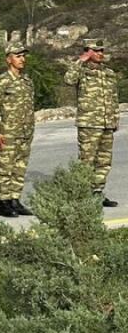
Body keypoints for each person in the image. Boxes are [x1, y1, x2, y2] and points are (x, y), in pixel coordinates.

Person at [65, 38, 120, 207]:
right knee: (86, 160)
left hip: (106, 123)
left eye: (102, 51)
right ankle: (81, 195)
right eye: (96, 51)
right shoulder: (81, 71)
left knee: (104, 161)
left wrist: (115, 118)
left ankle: (97, 192)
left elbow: (113, 97)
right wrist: (81, 60)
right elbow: (68, 79)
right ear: (88, 52)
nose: (100, 54)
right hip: (89, 123)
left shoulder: (108, 73)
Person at [0, 43, 36, 217]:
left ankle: (15, 199)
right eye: (18, 56)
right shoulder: (1, 82)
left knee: (20, 167)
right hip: (7, 132)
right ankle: (4, 203)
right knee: (4, 168)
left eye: (23, 56)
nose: (22, 59)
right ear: (9, 59)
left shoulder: (27, 81)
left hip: (25, 132)